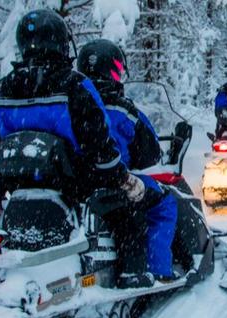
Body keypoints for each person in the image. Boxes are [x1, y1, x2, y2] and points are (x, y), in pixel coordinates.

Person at [0, 9, 162, 289]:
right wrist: (119, 177)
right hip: (76, 185)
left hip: (17, 187)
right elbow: (98, 142)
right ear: (61, 42)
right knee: (130, 215)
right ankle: (131, 275)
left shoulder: (1, 90)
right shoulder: (74, 86)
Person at [75, 38, 179, 285]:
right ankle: (158, 268)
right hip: (115, 179)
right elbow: (150, 152)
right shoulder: (123, 110)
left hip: (77, 183)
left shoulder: (71, 102)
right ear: (114, 70)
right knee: (165, 203)